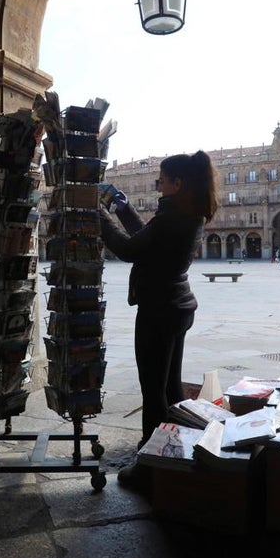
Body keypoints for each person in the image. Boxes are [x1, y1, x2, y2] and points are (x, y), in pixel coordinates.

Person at [99, 151, 218, 491]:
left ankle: (149, 470)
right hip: (177, 306)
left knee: (153, 392)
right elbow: (147, 240)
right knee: (170, 388)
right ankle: (171, 454)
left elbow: (129, 250)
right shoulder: (186, 213)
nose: (158, 184)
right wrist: (123, 210)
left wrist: (99, 217)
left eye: (162, 180)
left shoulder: (173, 217)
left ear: (177, 183)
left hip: (159, 309)